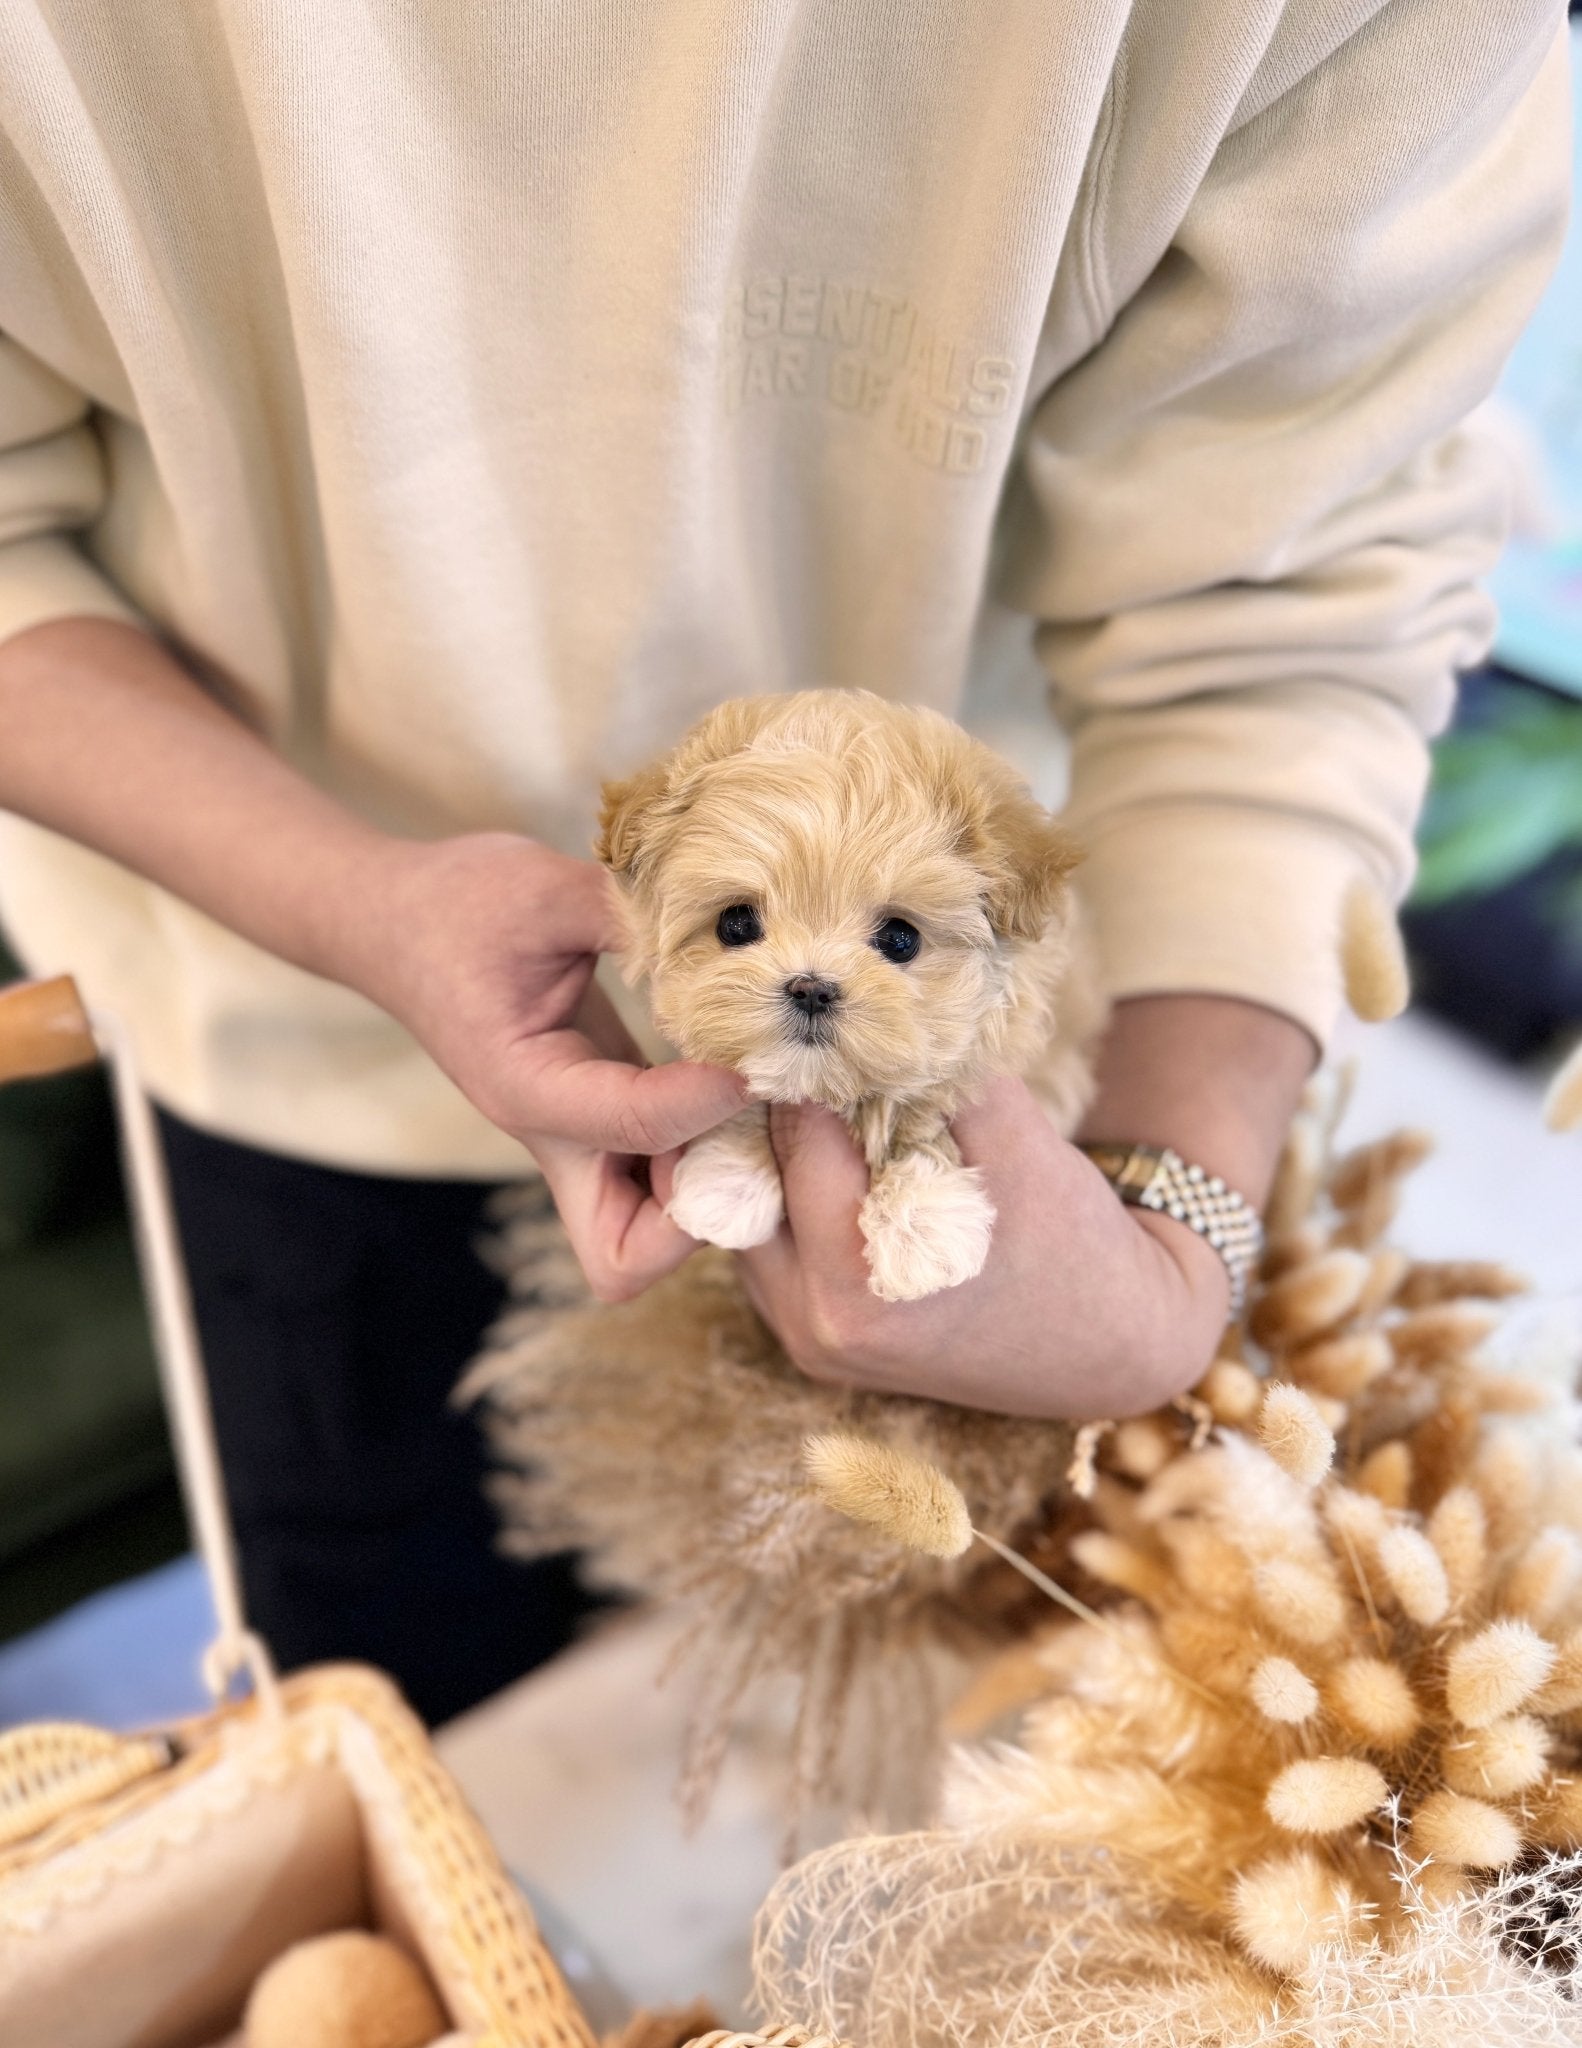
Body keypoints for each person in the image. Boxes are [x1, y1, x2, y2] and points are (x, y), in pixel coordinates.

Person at [0, 3, 1568, 1720]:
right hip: (286, 1034)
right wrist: (342, 899)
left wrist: (1169, 1222)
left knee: (936, 1701)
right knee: (400, 1683)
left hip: (1067, 1070)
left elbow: (1300, 575)